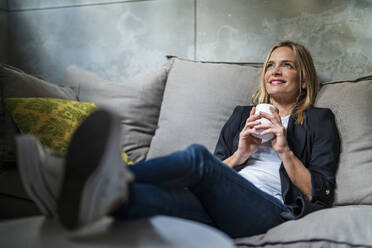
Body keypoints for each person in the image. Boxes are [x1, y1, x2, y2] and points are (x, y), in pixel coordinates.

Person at [16, 41, 340, 238]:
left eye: (287, 65)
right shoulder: (244, 115)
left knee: (197, 157)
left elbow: (320, 192)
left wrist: (284, 149)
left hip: (266, 210)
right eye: (270, 64)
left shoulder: (317, 120)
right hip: (215, 207)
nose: (275, 69)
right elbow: (216, 171)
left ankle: (87, 177)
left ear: (303, 80)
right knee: (138, 197)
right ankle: (69, 201)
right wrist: (240, 154)